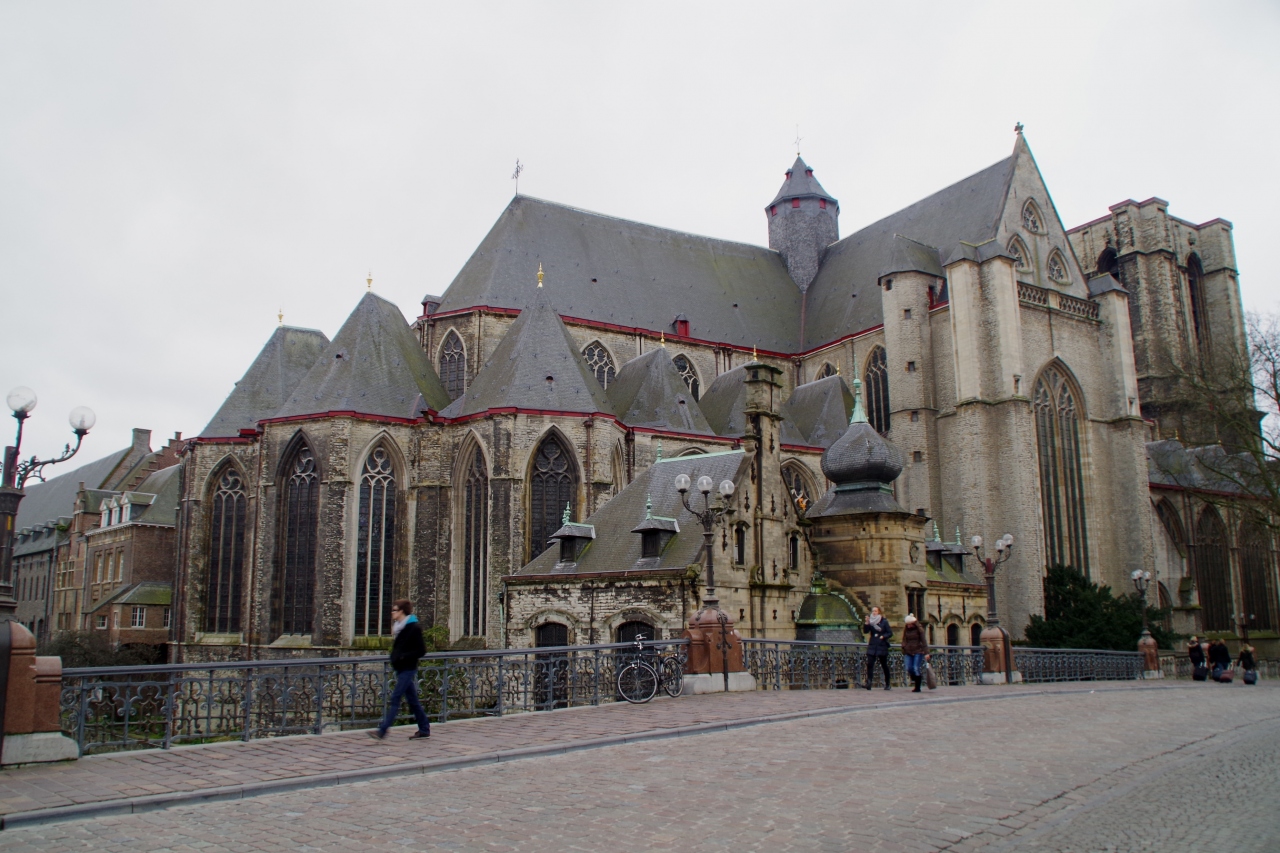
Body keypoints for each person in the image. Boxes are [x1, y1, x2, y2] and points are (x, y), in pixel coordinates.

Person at [369, 599, 431, 741]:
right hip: (401, 668)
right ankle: (424, 729)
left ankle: (382, 731)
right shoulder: (399, 628)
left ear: (401, 611)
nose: (392, 612)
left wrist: (403, 657)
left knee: (395, 697)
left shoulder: (413, 628)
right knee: (413, 700)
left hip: (408, 668)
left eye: (395, 610)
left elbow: (421, 650)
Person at [863, 606, 893, 691]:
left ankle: (887, 683)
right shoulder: (871, 621)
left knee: (884, 665)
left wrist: (883, 636)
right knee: (870, 664)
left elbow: (890, 633)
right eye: (873, 611)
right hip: (873, 644)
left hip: (881, 645)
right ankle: (869, 683)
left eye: (875, 611)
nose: (874, 612)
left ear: (879, 612)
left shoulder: (884, 621)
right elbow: (865, 631)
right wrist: (866, 623)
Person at [901, 613, 928, 693]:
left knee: (915, 668)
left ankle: (917, 686)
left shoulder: (919, 629)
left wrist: (926, 653)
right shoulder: (906, 629)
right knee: (909, 667)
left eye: (910, 624)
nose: (908, 626)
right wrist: (904, 646)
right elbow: (904, 639)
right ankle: (916, 678)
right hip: (908, 651)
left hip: (918, 650)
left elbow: (923, 641)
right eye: (907, 624)